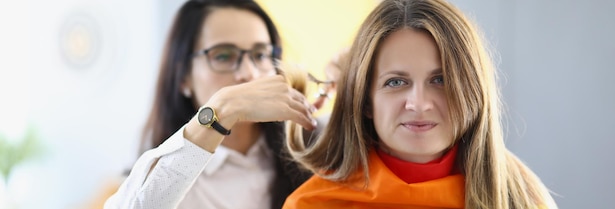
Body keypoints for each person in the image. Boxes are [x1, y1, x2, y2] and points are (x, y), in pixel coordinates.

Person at [283, 0, 558, 208]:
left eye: (440, 79)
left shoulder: (522, 196)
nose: (419, 103)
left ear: (473, 91)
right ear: (364, 100)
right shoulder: (313, 204)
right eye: (395, 82)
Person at [105, 0, 317, 208]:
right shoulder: (165, 178)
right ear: (183, 78)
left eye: (260, 55)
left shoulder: (314, 149)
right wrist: (221, 109)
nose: (249, 74)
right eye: (223, 56)